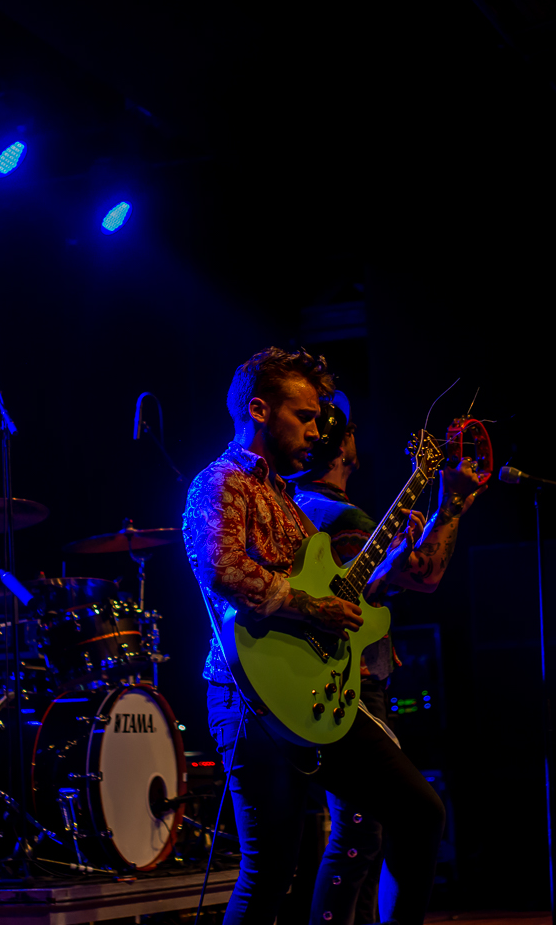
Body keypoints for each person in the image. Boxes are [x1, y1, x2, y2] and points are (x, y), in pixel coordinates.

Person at [183, 347, 447, 925]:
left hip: (313, 690)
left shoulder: (288, 501)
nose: (315, 430)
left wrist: (387, 564)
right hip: (248, 698)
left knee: (420, 811)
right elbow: (222, 568)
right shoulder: (220, 483)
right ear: (259, 410)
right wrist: (311, 607)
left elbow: (336, 595)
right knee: (270, 870)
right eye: (303, 416)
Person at [293, 393, 483, 925]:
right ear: (342, 446)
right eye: (350, 429)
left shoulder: (295, 508)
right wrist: (452, 505)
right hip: (352, 682)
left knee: (356, 833)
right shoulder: (343, 517)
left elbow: (376, 582)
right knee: (365, 832)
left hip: (307, 681)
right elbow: (425, 577)